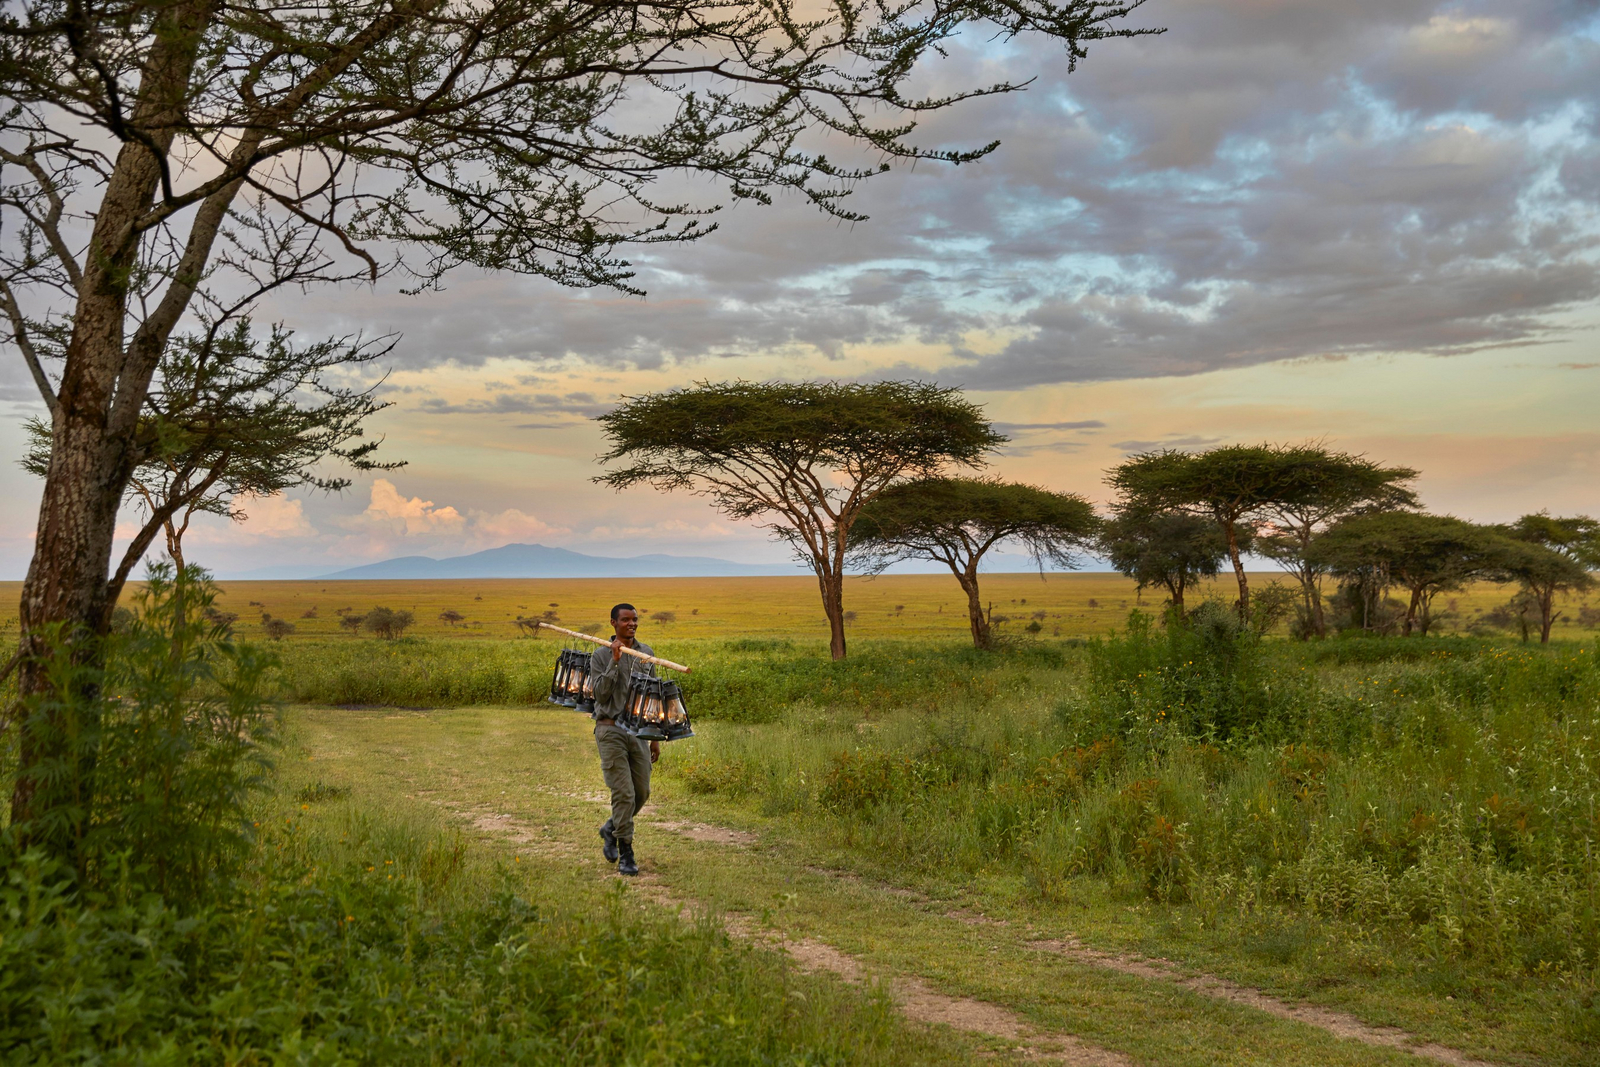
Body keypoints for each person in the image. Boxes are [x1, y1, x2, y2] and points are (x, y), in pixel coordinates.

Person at [590, 603, 660, 876]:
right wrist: (615, 661)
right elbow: (600, 694)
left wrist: (654, 737)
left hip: (639, 732)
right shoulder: (599, 655)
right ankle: (626, 853)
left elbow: (652, 697)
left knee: (641, 793)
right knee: (624, 793)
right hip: (610, 730)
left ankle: (611, 828)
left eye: (635, 619)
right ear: (613, 623)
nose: (632, 624)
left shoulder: (647, 653)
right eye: (625, 620)